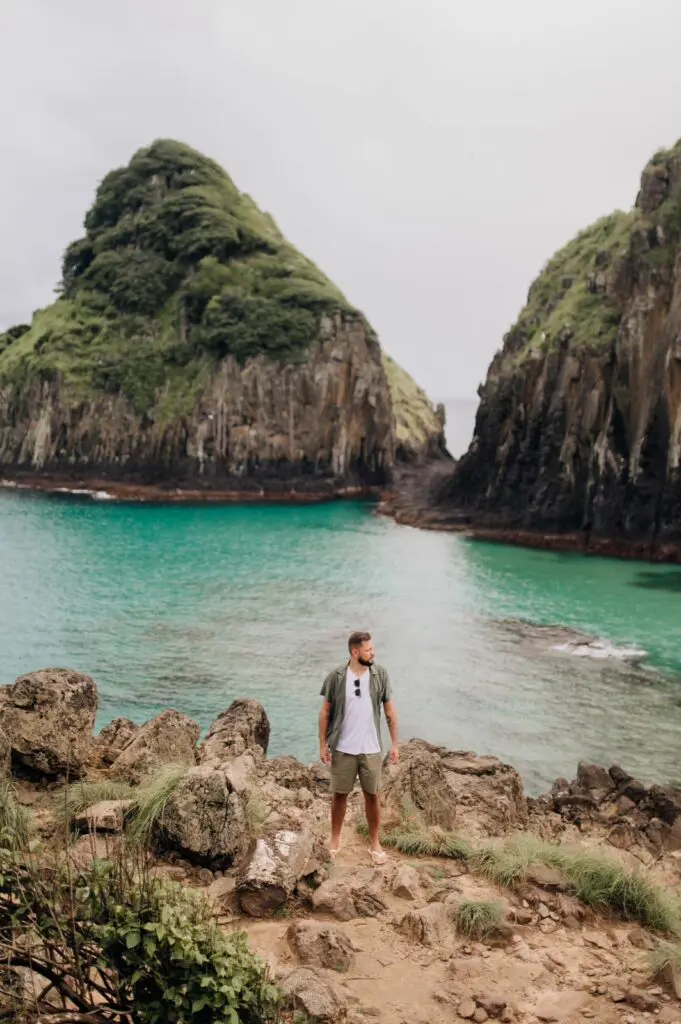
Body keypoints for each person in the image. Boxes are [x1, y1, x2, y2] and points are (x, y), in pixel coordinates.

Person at [319, 631, 398, 865]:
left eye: (372, 649)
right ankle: (334, 840)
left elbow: (389, 711)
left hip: (371, 748)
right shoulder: (336, 676)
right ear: (355, 652)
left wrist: (394, 744)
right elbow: (325, 712)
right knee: (339, 796)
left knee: (372, 796)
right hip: (343, 747)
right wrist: (323, 744)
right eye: (368, 650)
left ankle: (375, 843)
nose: (373, 653)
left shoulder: (380, 674)